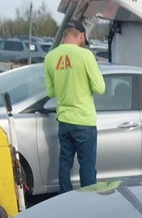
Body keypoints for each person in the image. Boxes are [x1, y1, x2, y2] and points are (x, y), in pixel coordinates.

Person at [44, 20, 106, 193]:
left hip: (64, 119)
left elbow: (50, 92)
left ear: (65, 35)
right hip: (84, 121)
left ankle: (65, 197)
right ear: (81, 36)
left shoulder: (50, 57)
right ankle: (88, 198)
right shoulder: (85, 55)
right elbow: (100, 88)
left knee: (65, 163)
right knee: (87, 165)